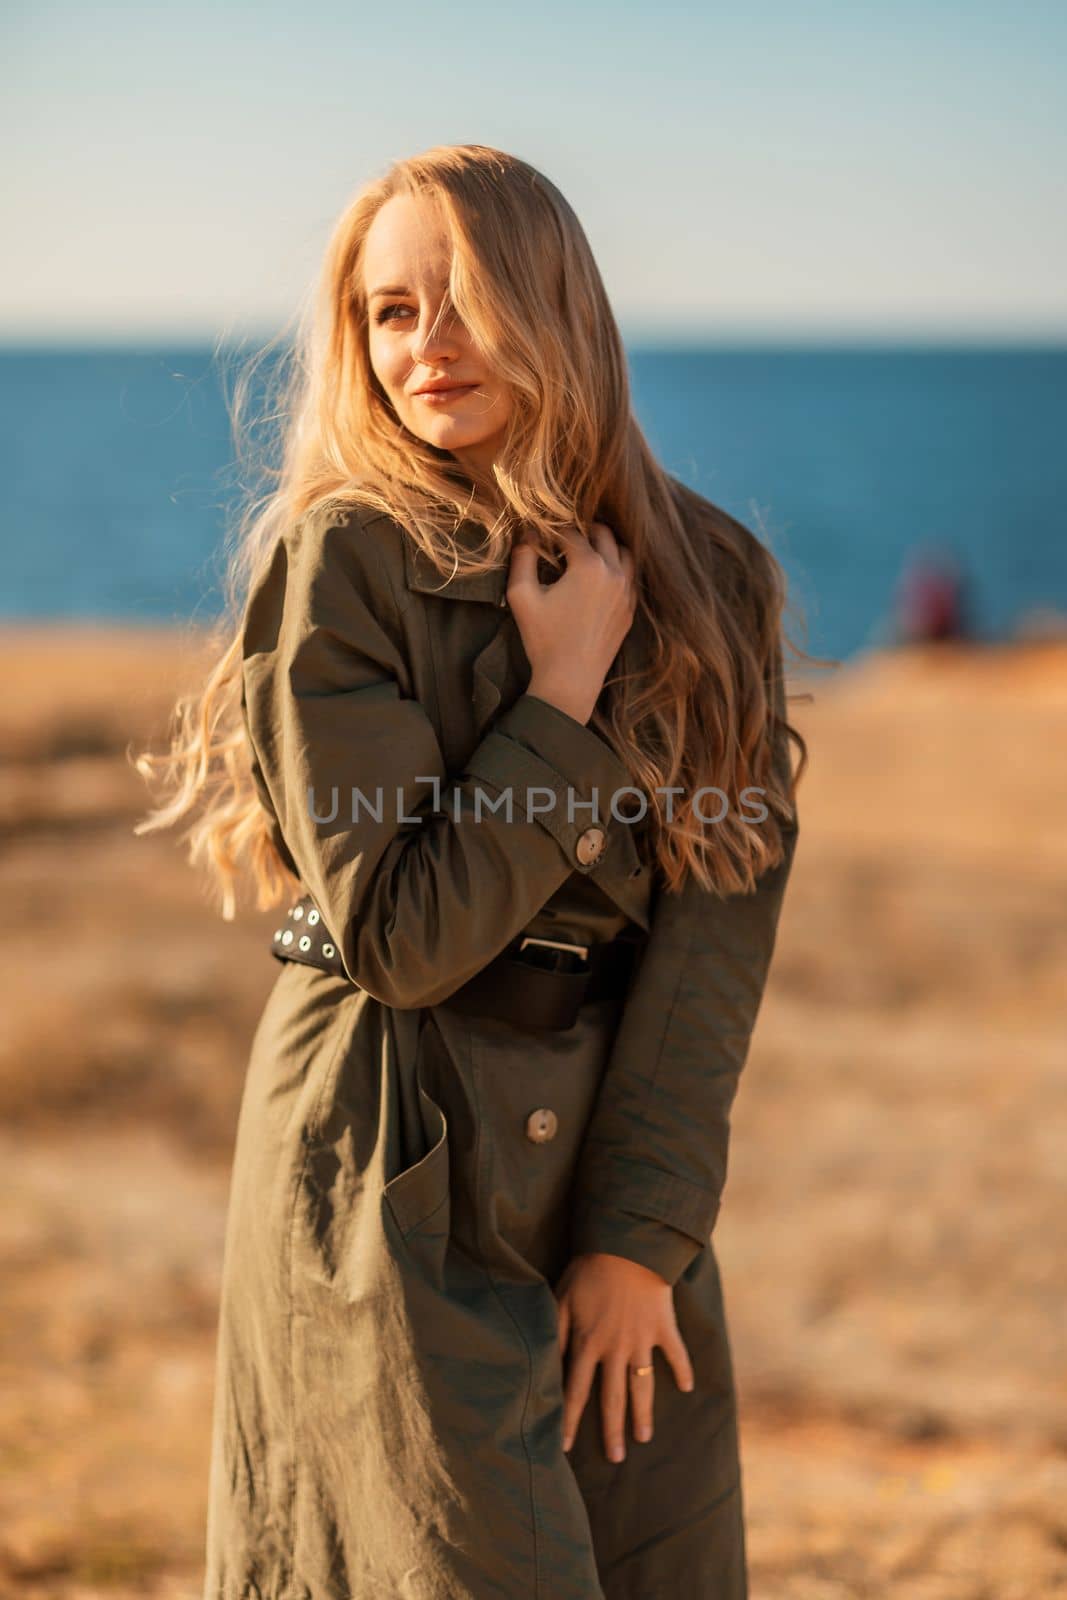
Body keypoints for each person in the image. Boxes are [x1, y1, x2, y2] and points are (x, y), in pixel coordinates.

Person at [135, 143, 807, 1600]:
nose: (424, 347)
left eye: (464, 299)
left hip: (613, 1163)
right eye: (388, 312)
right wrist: (558, 703)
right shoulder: (345, 566)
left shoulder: (714, 578)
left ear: (555, 303)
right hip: (385, 1165)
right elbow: (401, 935)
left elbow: (713, 946)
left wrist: (641, 1239)